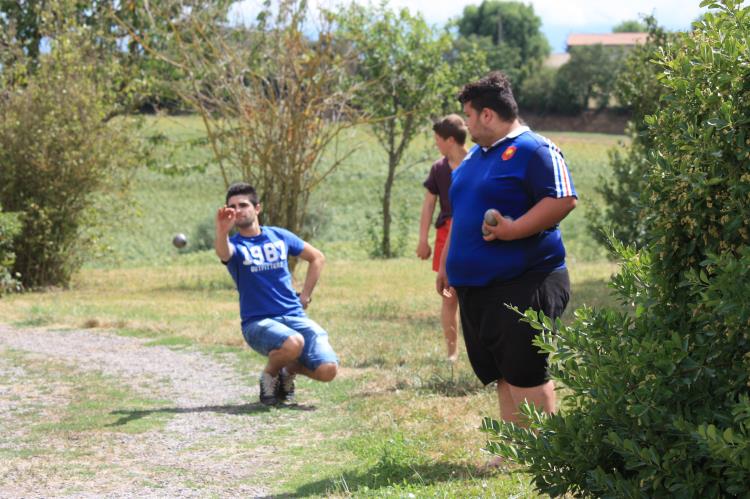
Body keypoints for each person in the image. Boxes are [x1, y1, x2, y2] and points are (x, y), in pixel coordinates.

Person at [436, 71, 577, 428]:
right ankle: (515, 449)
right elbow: (461, 213)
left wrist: (514, 230)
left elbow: (563, 200)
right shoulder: (474, 159)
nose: (465, 124)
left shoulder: (535, 149)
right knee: (502, 371)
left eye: (468, 115)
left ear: (487, 114)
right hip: (478, 287)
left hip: (525, 281)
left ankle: (545, 453)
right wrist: (446, 263)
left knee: (527, 371)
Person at [215, 182, 338, 406]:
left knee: (328, 370)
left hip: (295, 316)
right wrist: (222, 230)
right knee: (293, 342)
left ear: (257, 208)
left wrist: (306, 296)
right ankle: (269, 376)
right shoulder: (234, 245)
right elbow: (223, 252)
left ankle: (290, 369)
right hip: (258, 323)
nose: (238, 210)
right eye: (232, 207)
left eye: (243, 205)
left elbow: (317, 257)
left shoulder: (279, 236)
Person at [416, 114, 468, 361]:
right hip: (445, 231)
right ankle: (452, 353)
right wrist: (422, 239)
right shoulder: (438, 169)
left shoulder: (476, 163)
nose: (436, 143)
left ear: (450, 140)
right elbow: (428, 205)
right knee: (449, 292)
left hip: (472, 232)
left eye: (437, 139)